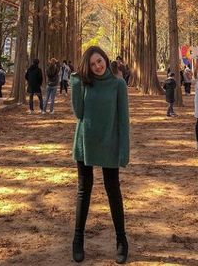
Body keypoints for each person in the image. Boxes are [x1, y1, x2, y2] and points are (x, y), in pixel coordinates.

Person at [70, 46, 130, 264]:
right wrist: (75, 82)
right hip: (85, 142)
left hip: (109, 143)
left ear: (105, 59)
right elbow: (78, 113)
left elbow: (123, 120)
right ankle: (77, 240)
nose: (97, 66)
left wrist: (124, 151)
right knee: (83, 191)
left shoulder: (118, 84)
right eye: (93, 64)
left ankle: (121, 240)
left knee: (113, 191)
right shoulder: (85, 83)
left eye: (100, 61)